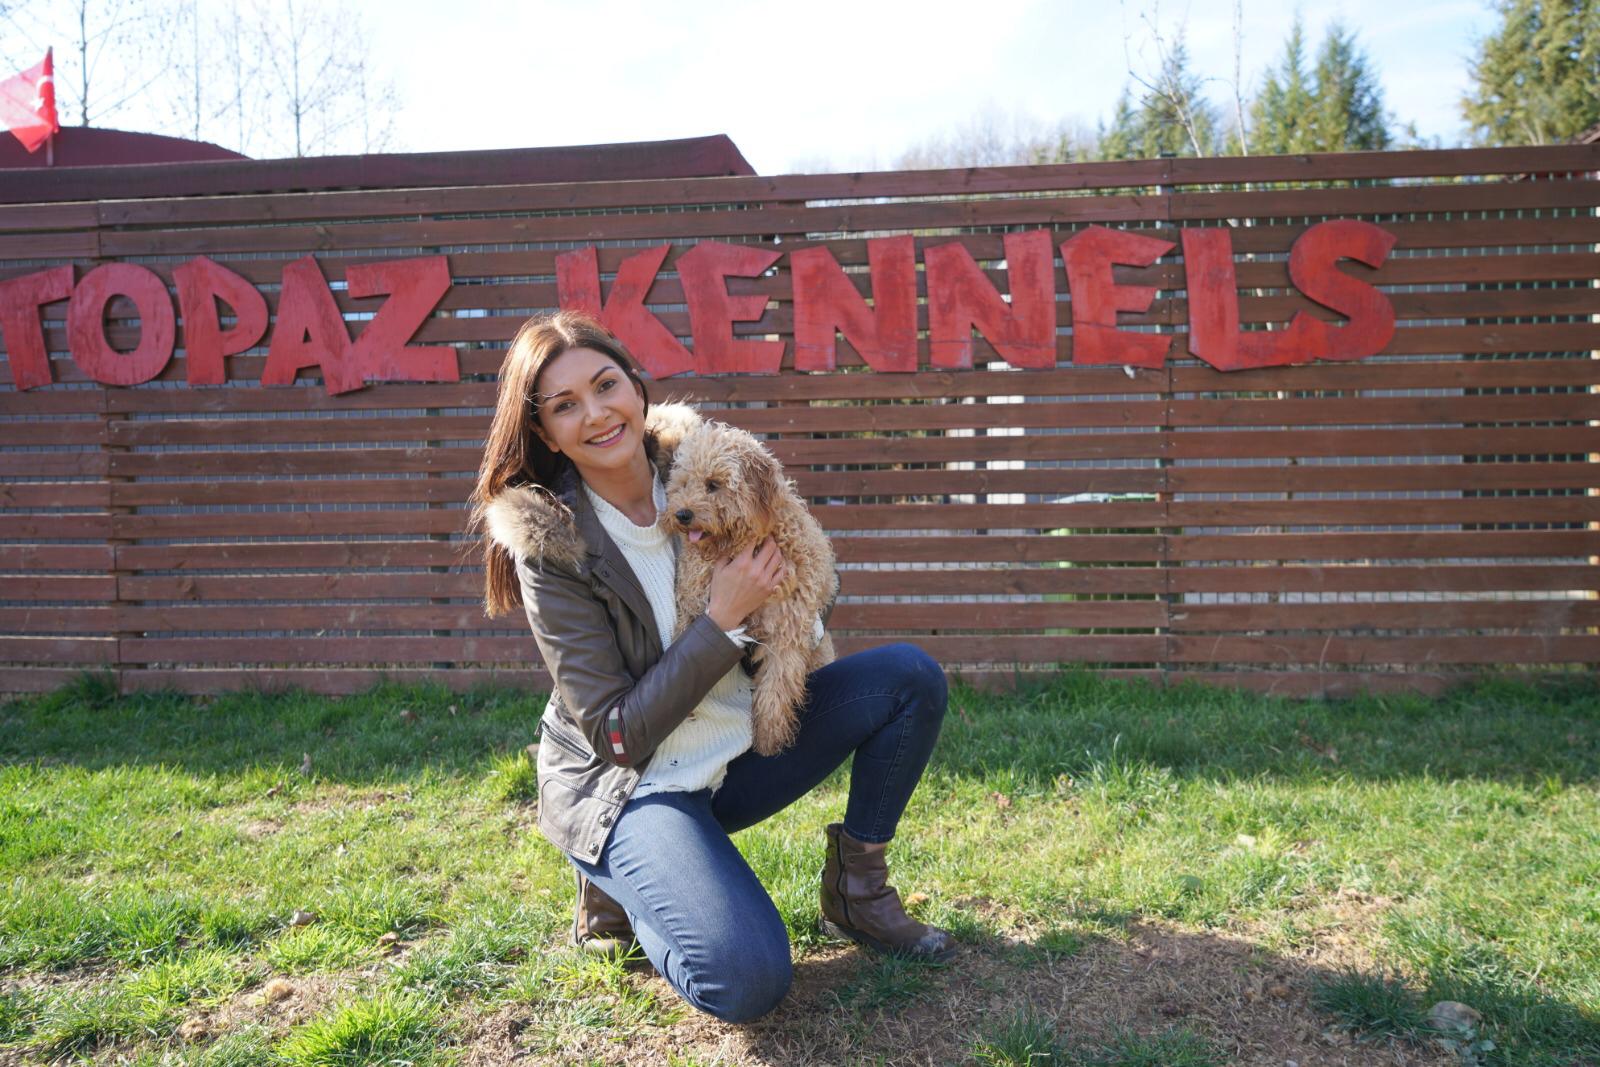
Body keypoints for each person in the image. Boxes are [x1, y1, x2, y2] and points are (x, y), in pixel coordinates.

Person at [468, 310, 953, 1024]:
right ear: (544, 432)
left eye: (606, 385)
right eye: (565, 405)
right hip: (634, 785)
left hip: (736, 750)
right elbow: (616, 733)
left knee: (909, 678)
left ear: (636, 387)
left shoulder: (702, 465)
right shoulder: (553, 547)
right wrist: (721, 622)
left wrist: (787, 606)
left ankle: (859, 891)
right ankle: (621, 882)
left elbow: (806, 574)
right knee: (748, 979)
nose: (596, 414)